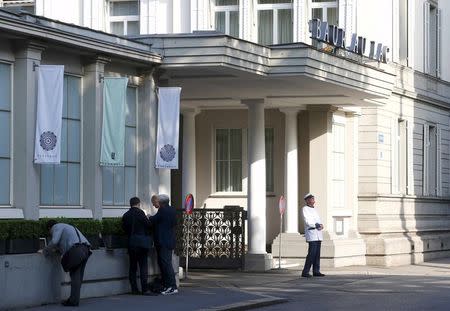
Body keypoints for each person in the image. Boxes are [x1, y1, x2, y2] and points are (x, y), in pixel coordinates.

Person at [43, 220, 91, 307]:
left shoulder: (56, 227)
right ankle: (74, 299)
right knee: (79, 276)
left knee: (75, 275)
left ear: (50, 228)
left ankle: (73, 301)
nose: (51, 233)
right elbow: (64, 245)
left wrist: (45, 251)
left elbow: (54, 241)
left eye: (49, 232)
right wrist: (57, 250)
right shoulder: (68, 227)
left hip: (76, 250)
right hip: (86, 249)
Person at [122, 197, 152, 295]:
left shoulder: (126, 215)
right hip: (142, 244)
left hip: (131, 243)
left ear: (130, 204)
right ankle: (145, 289)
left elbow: (124, 229)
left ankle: (134, 289)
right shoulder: (141, 213)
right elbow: (148, 225)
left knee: (133, 267)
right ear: (138, 204)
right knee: (143, 266)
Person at [149, 194, 178, 295]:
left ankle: (172, 286)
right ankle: (167, 285)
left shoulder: (162, 210)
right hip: (170, 240)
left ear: (161, 202)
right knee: (166, 263)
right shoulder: (172, 210)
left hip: (163, 241)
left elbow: (154, 220)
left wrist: (148, 217)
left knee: (166, 264)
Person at [301, 193, 325, 278]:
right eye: (311, 198)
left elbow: (318, 220)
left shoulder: (315, 210)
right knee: (311, 253)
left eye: (313, 198)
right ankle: (305, 271)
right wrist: (317, 225)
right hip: (312, 235)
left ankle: (316, 270)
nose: (313, 200)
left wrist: (321, 225)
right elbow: (308, 221)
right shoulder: (305, 209)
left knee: (317, 254)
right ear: (307, 200)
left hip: (318, 234)